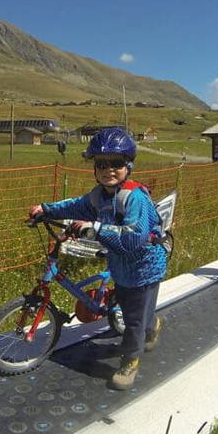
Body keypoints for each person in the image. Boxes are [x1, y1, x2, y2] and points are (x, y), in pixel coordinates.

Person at [27, 127, 166, 390]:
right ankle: (153, 322)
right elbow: (75, 205)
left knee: (134, 320)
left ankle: (130, 362)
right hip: (120, 266)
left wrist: (95, 229)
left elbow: (134, 236)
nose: (108, 169)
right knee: (129, 310)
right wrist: (45, 209)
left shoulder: (135, 197)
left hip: (144, 268)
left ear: (129, 165)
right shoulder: (99, 195)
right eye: (102, 163)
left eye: (116, 163)